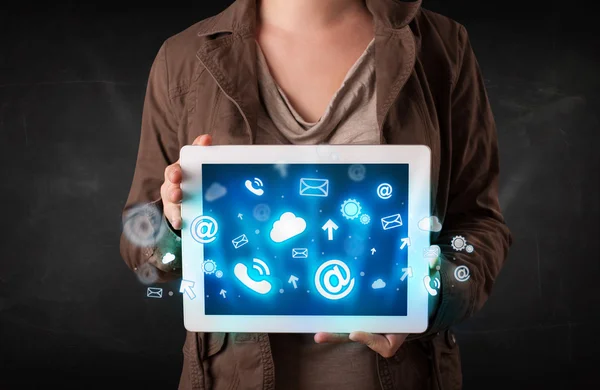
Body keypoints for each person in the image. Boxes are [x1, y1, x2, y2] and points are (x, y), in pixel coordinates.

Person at [120, 0, 512, 388]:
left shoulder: (443, 45)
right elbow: (138, 245)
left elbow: (480, 224)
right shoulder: (183, 57)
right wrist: (173, 228)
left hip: (405, 376)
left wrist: (429, 298)